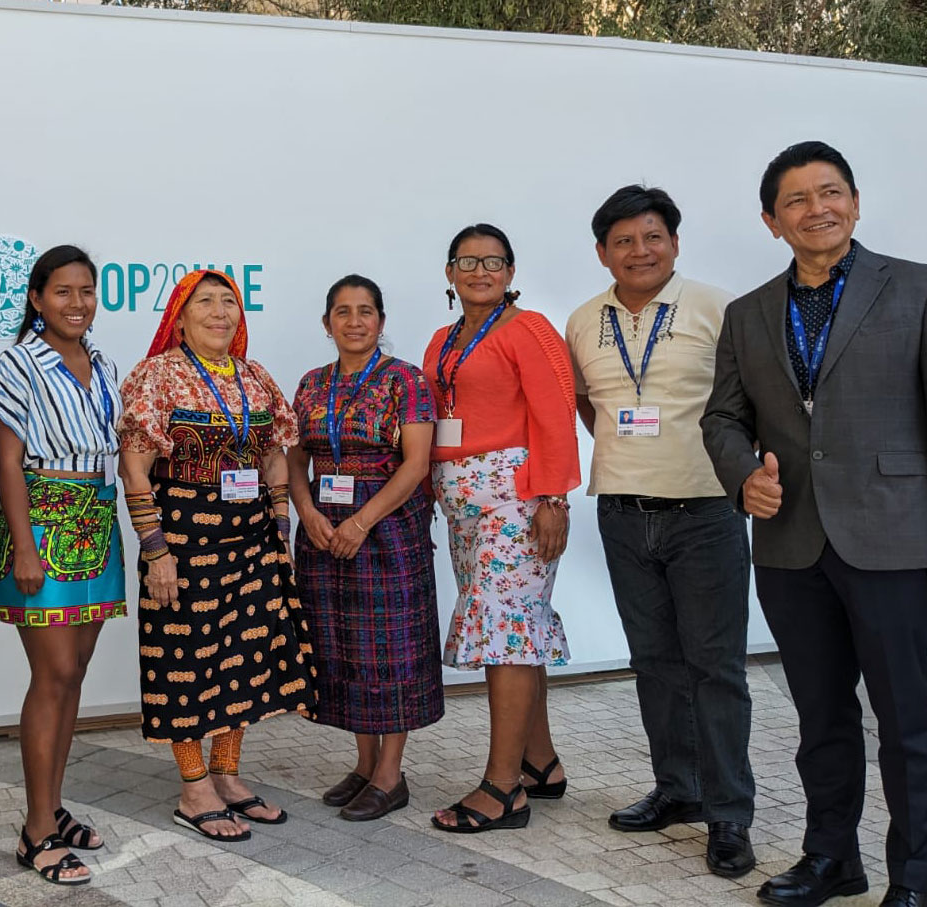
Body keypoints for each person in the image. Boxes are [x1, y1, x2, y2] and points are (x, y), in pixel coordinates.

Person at [703, 141, 927, 907]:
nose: (817, 208)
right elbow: (721, 417)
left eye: (831, 192)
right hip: (790, 543)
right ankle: (831, 859)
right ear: (770, 219)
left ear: (855, 201)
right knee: (820, 717)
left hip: (893, 538)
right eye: (797, 199)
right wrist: (742, 475)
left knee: (907, 719)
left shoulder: (921, 288)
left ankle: (916, 884)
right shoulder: (750, 313)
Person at [565, 185, 755, 877]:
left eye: (652, 237)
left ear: (674, 241)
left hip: (705, 512)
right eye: (623, 241)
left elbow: (749, 400)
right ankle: (679, 788)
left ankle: (730, 811)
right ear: (602, 252)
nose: (638, 251)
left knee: (716, 669)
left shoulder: (719, 307)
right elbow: (589, 403)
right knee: (654, 663)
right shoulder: (584, 318)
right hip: (621, 512)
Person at [119, 269, 316, 842]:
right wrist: (155, 550)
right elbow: (134, 465)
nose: (219, 311)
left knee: (241, 657)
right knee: (185, 657)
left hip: (251, 536)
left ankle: (229, 775)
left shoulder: (256, 378)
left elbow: (276, 453)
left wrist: (279, 523)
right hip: (182, 537)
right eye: (203, 301)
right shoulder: (157, 376)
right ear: (178, 317)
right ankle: (193, 785)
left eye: (228, 301)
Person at [424, 224, 581, 834]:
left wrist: (553, 498)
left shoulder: (529, 328)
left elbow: (556, 412)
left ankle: (502, 787)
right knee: (512, 628)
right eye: (467, 260)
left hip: (517, 500)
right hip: (463, 504)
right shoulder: (443, 337)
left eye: (493, 261)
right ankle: (540, 764)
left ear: (511, 273)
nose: (480, 271)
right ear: (449, 272)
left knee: (505, 629)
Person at [0, 245, 126, 886]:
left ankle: (53, 807)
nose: (77, 303)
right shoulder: (17, 364)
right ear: (37, 299)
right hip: (41, 519)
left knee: (74, 676)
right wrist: (25, 546)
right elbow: (7, 461)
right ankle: (35, 830)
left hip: (96, 518)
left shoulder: (103, 362)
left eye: (87, 291)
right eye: (63, 292)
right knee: (55, 672)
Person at [287, 274, 442, 821]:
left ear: (381, 320)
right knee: (344, 646)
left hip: (388, 530)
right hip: (323, 533)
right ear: (327, 323)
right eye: (343, 312)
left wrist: (361, 522)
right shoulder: (310, 384)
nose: (355, 321)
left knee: (389, 650)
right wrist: (306, 513)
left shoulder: (407, 381)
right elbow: (294, 459)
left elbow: (417, 464)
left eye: (366, 311)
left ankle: (390, 775)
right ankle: (363, 763)